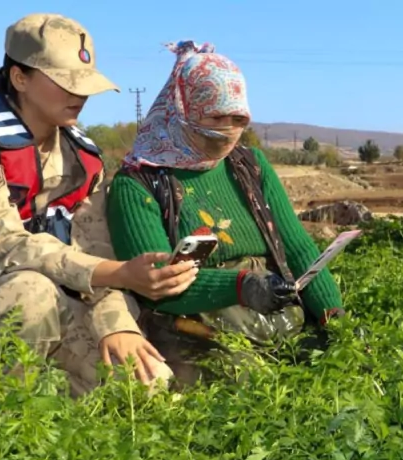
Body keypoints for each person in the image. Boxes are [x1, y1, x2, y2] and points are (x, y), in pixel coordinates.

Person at [0, 13, 197, 396]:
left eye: (84, 84)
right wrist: (117, 273)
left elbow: (96, 253)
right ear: (20, 78)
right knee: (30, 293)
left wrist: (116, 324)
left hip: (52, 307)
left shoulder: (81, 156)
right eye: (65, 83)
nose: (79, 95)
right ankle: (1, 418)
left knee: (147, 382)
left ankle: (54, 398)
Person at [106, 41, 346, 388]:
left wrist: (332, 316)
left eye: (238, 119)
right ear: (182, 110)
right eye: (215, 118)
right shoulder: (139, 183)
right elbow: (158, 282)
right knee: (248, 383)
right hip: (193, 322)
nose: (227, 130)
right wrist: (241, 286)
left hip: (273, 308)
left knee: (331, 367)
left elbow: (297, 248)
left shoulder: (250, 166)